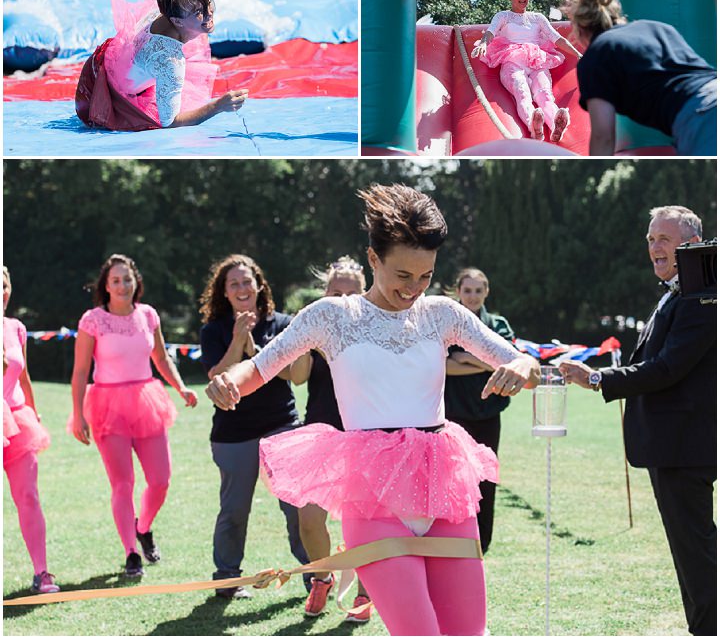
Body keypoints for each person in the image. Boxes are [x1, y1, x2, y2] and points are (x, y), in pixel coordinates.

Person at [207, 184, 540, 636]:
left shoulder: (443, 313)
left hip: (443, 487)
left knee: (468, 632)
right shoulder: (330, 316)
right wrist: (229, 380)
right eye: (404, 275)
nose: (414, 289)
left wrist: (520, 366)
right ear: (373, 259)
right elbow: (262, 367)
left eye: (425, 276)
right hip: (374, 494)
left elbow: (522, 359)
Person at [560, 206, 716, 636]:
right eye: (650, 239)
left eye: (664, 238)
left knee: (697, 556)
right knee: (694, 552)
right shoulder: (678, 290)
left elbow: (667, 368)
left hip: (685, 447)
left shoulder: (702, 293)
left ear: (691, 244)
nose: (654, 247)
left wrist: (596, 378)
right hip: (673, 446)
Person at [70, 254, 197, 578]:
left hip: (146, 400)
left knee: (160, 480)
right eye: (116, 280)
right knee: (122, 483)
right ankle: (130, 552)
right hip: (106, 406)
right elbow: (81, 370)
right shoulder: (92, 320)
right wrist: (77, 415)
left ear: (135, 281)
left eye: (127, 279)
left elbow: (162, 358)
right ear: (106, 286)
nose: (122, 285)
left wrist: (181, 388)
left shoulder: (148, 315)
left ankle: (144, 527)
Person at [198, 254, 310, 600]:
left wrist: (257, 350)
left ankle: (314, 574)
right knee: (234, 509)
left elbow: (295, 375)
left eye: (247, 281)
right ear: (225, 293)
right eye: (234, 284)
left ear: (259, 286)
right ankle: (227, 577)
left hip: (281, 425)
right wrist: (237, 340)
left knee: (296, 507)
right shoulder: (214, 330)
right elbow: (217, 378)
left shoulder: (283, 324)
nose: (242, 288)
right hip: (234, 434)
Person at [291, 256, 372, 622]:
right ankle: (322, 578)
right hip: (321, 432)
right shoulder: (315, 328)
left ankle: (365, 592)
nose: (341, 299)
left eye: (349, 293)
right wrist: (309, 340)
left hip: (365, 434)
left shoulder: (373, 329)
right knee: (308, 520)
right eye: (334, 292)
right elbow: (297, 378)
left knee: (365, 522)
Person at [565, 0, 717, 156]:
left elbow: (603, 136)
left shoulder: (596, 56)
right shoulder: (656, 27)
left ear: (580, 27)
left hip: (701, 116)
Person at [75, 0, 248, 131]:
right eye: (198, 13)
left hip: (103, 60)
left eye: (208, 4)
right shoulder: (169, 61)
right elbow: (170, 122)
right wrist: (218, 106)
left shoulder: (166, 10)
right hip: (103, 98)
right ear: (176, 21)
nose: (209, 13)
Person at [444, 268, 515, 554]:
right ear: (458, 292)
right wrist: (485, 361)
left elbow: (507, 361)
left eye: (478, 290)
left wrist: (465, 357)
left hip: (487, 414)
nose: (472, 296)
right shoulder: (447, 323)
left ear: (486, 292)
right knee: (455, 479)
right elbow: (444, 366)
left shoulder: (497, 325)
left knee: (485, 479)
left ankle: (481, 544)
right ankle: (454, 540)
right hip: (454, 415)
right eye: (467, 290)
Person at [3, 266, 60, 595]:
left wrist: (34, 414)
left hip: (17, 418)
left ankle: (42, 573)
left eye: (4, 286)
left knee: (28, 496)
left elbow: (23, 378)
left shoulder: (17, 329)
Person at [472, 0, 583, 142]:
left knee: (544, 93)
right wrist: (483, 43)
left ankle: (556, 125)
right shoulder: (503, 16)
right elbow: (490, 32)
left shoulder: (537, 18)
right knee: (522, 91)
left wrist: (578, 54)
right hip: (513, 63)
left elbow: (556, 38)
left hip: (537, 62)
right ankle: (534, 125)